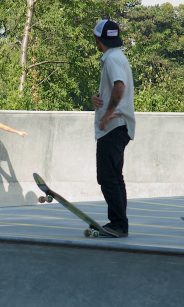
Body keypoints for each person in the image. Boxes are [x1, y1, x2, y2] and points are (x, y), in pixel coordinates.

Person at [91, 19, 135, 238]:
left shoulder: (111, 59)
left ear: (98, 40)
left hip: (114, 126)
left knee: (107, 177)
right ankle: (119, 222)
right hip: (120, 127)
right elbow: (113, 89)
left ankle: (118, 224)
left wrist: (107, 114)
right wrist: (99, 99)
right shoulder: (118, 56)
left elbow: (119, 87)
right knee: (116, 177)